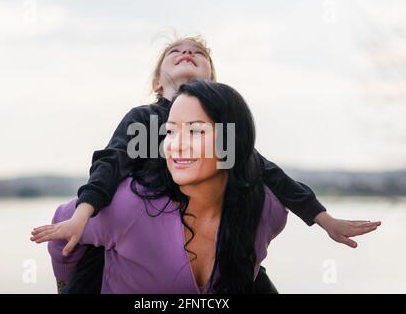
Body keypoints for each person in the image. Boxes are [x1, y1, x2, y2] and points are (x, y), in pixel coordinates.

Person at [31, 37, 381, 293]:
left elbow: (269, 172)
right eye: (176, 52)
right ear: (157, 82)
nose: (188, 53)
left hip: (213, 232)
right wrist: (83, 213)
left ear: (212, 83)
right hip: (133, 230)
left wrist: (323, 220)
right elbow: (111, 162)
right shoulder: (144, 120)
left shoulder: (223, 133)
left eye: (198, 53)